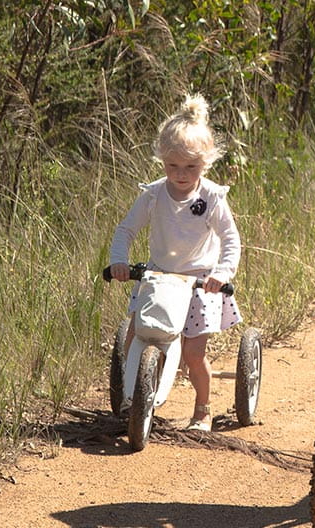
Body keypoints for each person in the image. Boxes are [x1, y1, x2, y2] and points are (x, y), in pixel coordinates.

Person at [108, 94, 243, 433]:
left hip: (199, 282)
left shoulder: (211, 197)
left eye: (191, 167)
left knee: (193, 354)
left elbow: (230, 239)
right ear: (162, 161)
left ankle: (202, 409)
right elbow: (126, 229)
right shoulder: (153, 193)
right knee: (135, 337)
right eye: (173, 166)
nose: (181, 175)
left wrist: (221, 273)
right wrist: (120, 262)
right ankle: (131, 396)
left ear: (206, 163)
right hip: (158, 276)